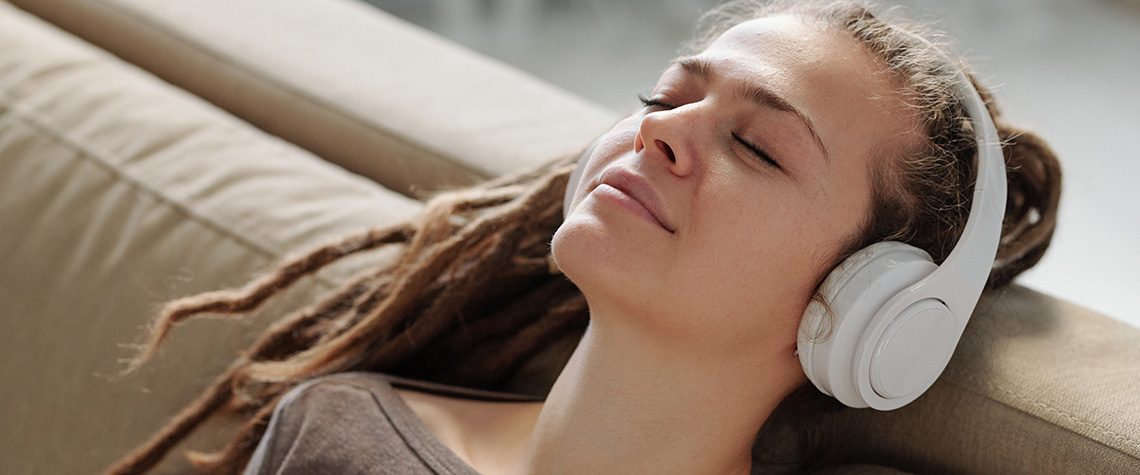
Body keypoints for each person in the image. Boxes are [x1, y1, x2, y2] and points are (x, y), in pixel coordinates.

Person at [107, 0, 1061, 473]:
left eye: (758, 147)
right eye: (667, 98)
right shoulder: (340, 430)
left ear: (866, 307)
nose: (660, 131)